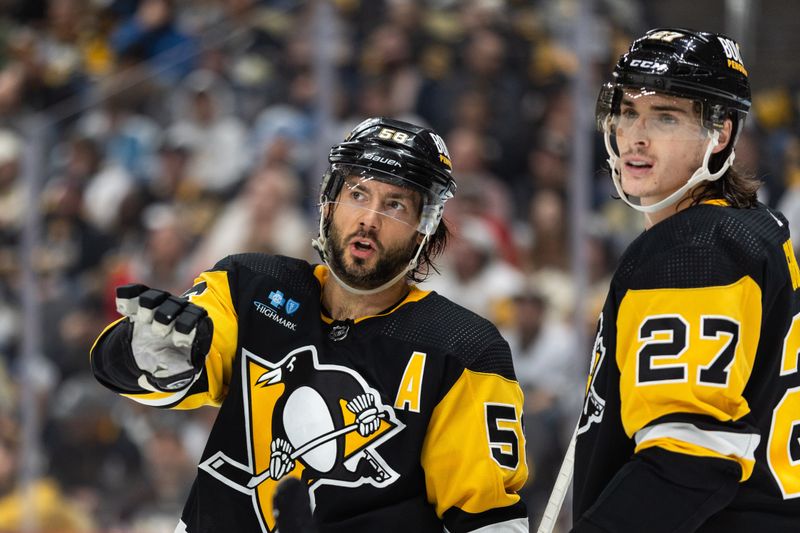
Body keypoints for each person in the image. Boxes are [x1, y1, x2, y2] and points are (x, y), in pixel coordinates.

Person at [90, 117, 529, 532]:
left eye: (394, 204)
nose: (369, 220)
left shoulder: (463, 350)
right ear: (328, 202)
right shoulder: (251, 285)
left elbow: (486, 518)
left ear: (425, 229)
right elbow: (175, 366)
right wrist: (145, 354)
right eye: (358, 194)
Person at [570, 28, 800, 532]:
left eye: (666, 116)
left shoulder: (695, 249)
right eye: (629, 111)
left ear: (720, 134)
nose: (636, 136)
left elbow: (690, 456)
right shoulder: (749, 228)